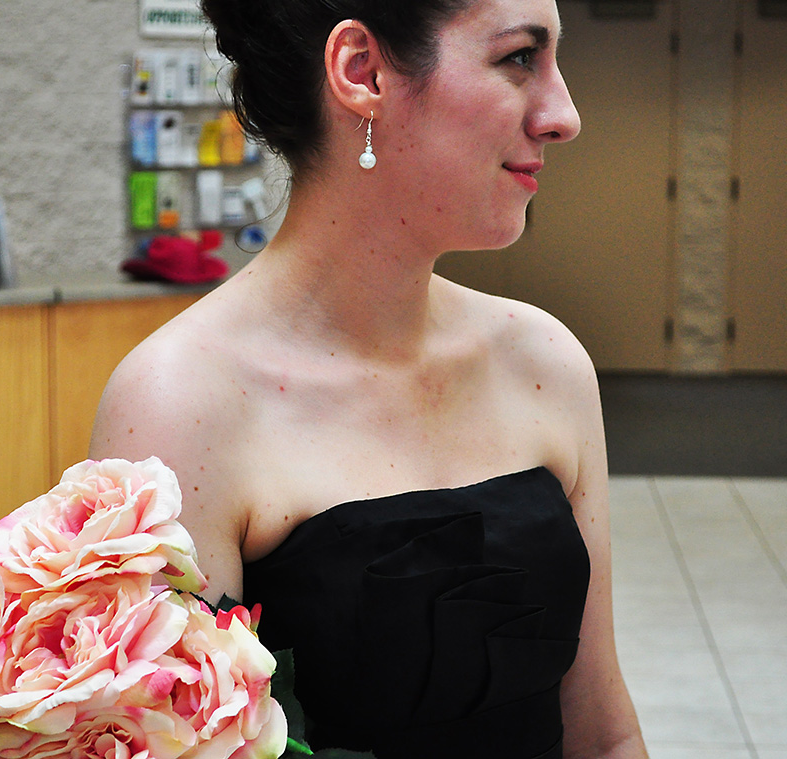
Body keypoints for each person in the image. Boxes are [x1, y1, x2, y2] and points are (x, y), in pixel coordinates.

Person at [89, 0, 648, 756]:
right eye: (520, 57)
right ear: (363, 72)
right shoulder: (181, 401)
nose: (564, 116)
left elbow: (603, 729)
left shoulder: (545, 361)